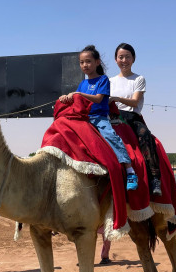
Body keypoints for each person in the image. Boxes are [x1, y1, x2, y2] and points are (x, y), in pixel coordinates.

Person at [59, 45, 139, 191]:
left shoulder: (103, 80)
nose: (85, 65)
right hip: (84, 119)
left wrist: (78, 94)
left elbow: (98, 99)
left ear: (97, 62)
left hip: (99, 118)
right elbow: (77, 100)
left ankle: (130, 171)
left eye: (88, 61)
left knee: (111, 136)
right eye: (82, 62)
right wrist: (66, 98)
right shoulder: (82, 84)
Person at [109, 42, 162, 197]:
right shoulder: (110, 81)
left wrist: (115, 98)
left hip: (132, 118)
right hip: (113, 117)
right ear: (115, 60)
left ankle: (155, 178)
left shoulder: (138, 79)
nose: (123, 60)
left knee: (145, 135)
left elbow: (134, 102)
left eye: (127, 57)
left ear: (133, 59)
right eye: (120, 57)